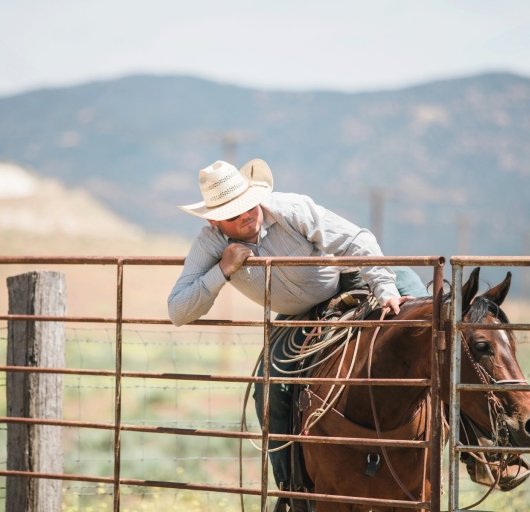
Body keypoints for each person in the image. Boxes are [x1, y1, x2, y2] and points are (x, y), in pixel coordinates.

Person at [168, 159, 429, 511]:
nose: (246, 216)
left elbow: (357, 239)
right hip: (299, 315)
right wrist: (223, 270)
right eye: (233, 214)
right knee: (270, 387)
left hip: (355, 277)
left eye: (248, 205)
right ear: (214, 221)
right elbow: (178, 310)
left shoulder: (289, 209)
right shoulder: (210, 245)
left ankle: (474, 447)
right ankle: (292, 490)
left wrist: (384, 288)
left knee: (430, 330)